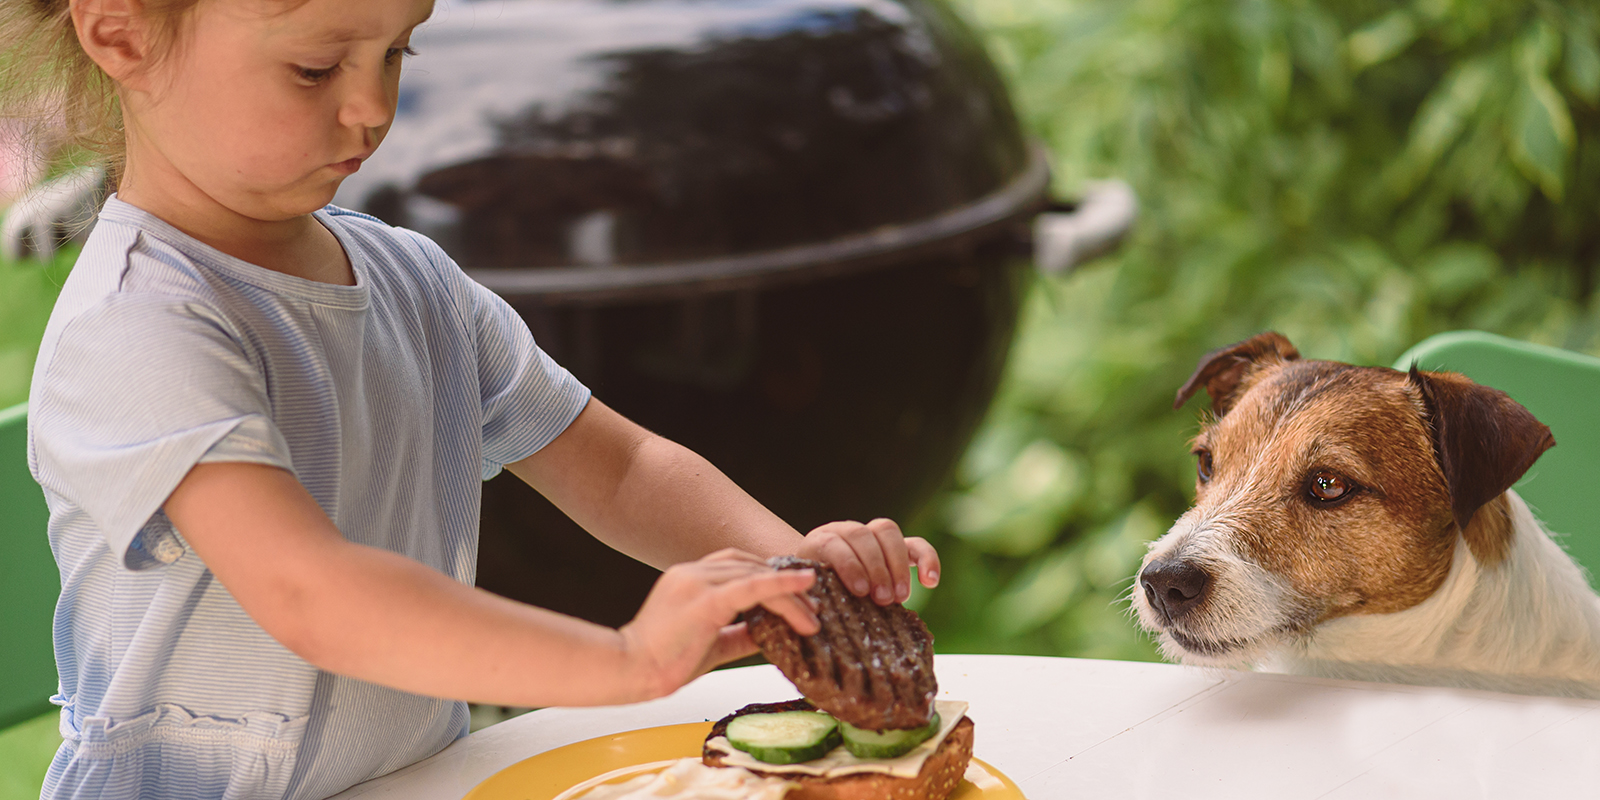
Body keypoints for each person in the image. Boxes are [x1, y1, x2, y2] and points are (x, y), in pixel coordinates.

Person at [2, 0, 944, 798]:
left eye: (397, 50)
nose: (372, 108)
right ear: (120, 36)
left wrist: (790, 572)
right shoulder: (138, 328)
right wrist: (624, 661)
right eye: (315, 67)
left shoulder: (411, 280)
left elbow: (617, 467)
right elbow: (310, 594)